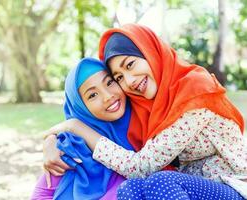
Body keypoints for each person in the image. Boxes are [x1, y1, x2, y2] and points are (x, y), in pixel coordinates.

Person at [44, 24, 247, 198]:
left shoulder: (194, 90)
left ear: (150, 52)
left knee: (161, 182)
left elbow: (141, 166)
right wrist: (51, 139)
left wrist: (74, 126)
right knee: (129, 190)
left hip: (233, 186)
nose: (130, 81)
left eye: (130, 64)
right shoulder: (148, 107)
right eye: (120, 77)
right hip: (192, 189)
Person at [31, 57, 135, 200]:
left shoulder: (144, 127)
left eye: (109, 82)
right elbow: (41, 194)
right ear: (81, 107)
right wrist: (52, 139)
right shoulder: (72, 146)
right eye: (92, 95)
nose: (108, 96)